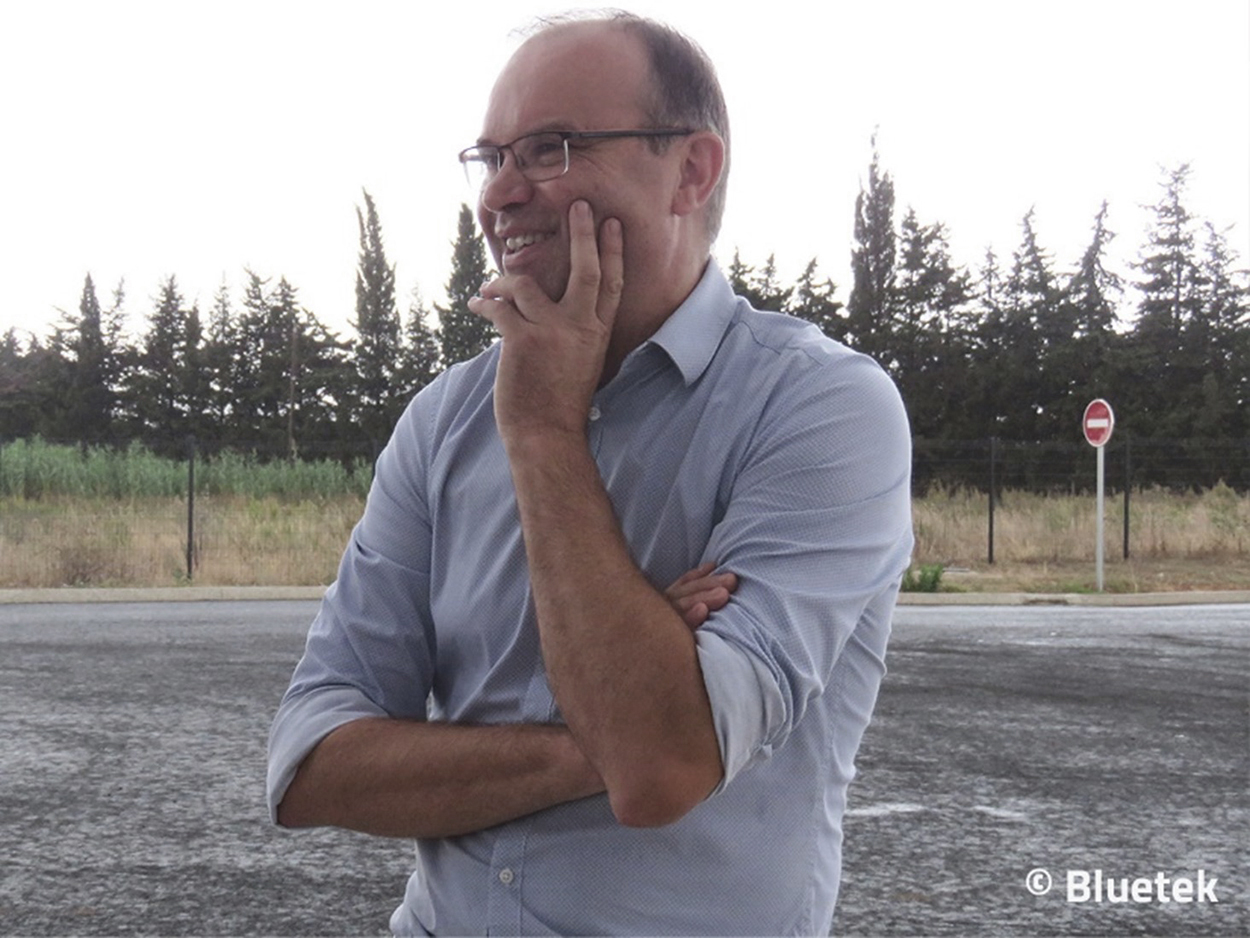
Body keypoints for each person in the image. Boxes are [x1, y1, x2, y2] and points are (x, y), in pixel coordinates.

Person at [267, 10, 913, 935]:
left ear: (691, 170)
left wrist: (541, 432)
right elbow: (309, 765)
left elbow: (657, 774)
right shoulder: (444, 420)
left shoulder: (821, 409)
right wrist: (598, 742)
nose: (499, 195)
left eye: (549, 148)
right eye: (489, 158)